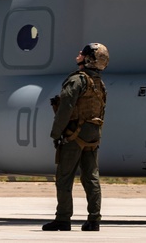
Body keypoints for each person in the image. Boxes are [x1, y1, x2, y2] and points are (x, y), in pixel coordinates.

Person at [43, 42, 109, 232]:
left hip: (74, 135)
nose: (79, 54)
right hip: (92, 135)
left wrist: (56, 133)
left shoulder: (77, 81)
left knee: (64, 177)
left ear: (89, 59)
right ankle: (94, 220)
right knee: (91, 177)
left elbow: (65, 109)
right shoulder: (99, 83)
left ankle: (63, 219)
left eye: (84, 53)